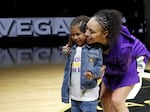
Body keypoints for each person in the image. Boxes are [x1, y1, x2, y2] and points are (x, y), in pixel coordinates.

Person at [85, 9, 150, 112]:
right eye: (86, 29)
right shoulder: (93, 39)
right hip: (115, 63)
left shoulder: (123, 49)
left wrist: (101, 72)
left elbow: (122, 70)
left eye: (91, 31)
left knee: (117, 101)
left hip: (134, 59)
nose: (86, 34)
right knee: (104, 97)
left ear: (105, 33)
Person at [61, 15, 104, 112]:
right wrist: (65, 50)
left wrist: (93, 73)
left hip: (88, 96)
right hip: (74, 96)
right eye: (73, 35)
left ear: (87, 33)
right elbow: (66, 51)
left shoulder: (96, 49)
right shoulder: (72, 49)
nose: (75, 37)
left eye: (78, 34)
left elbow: (99, 66)